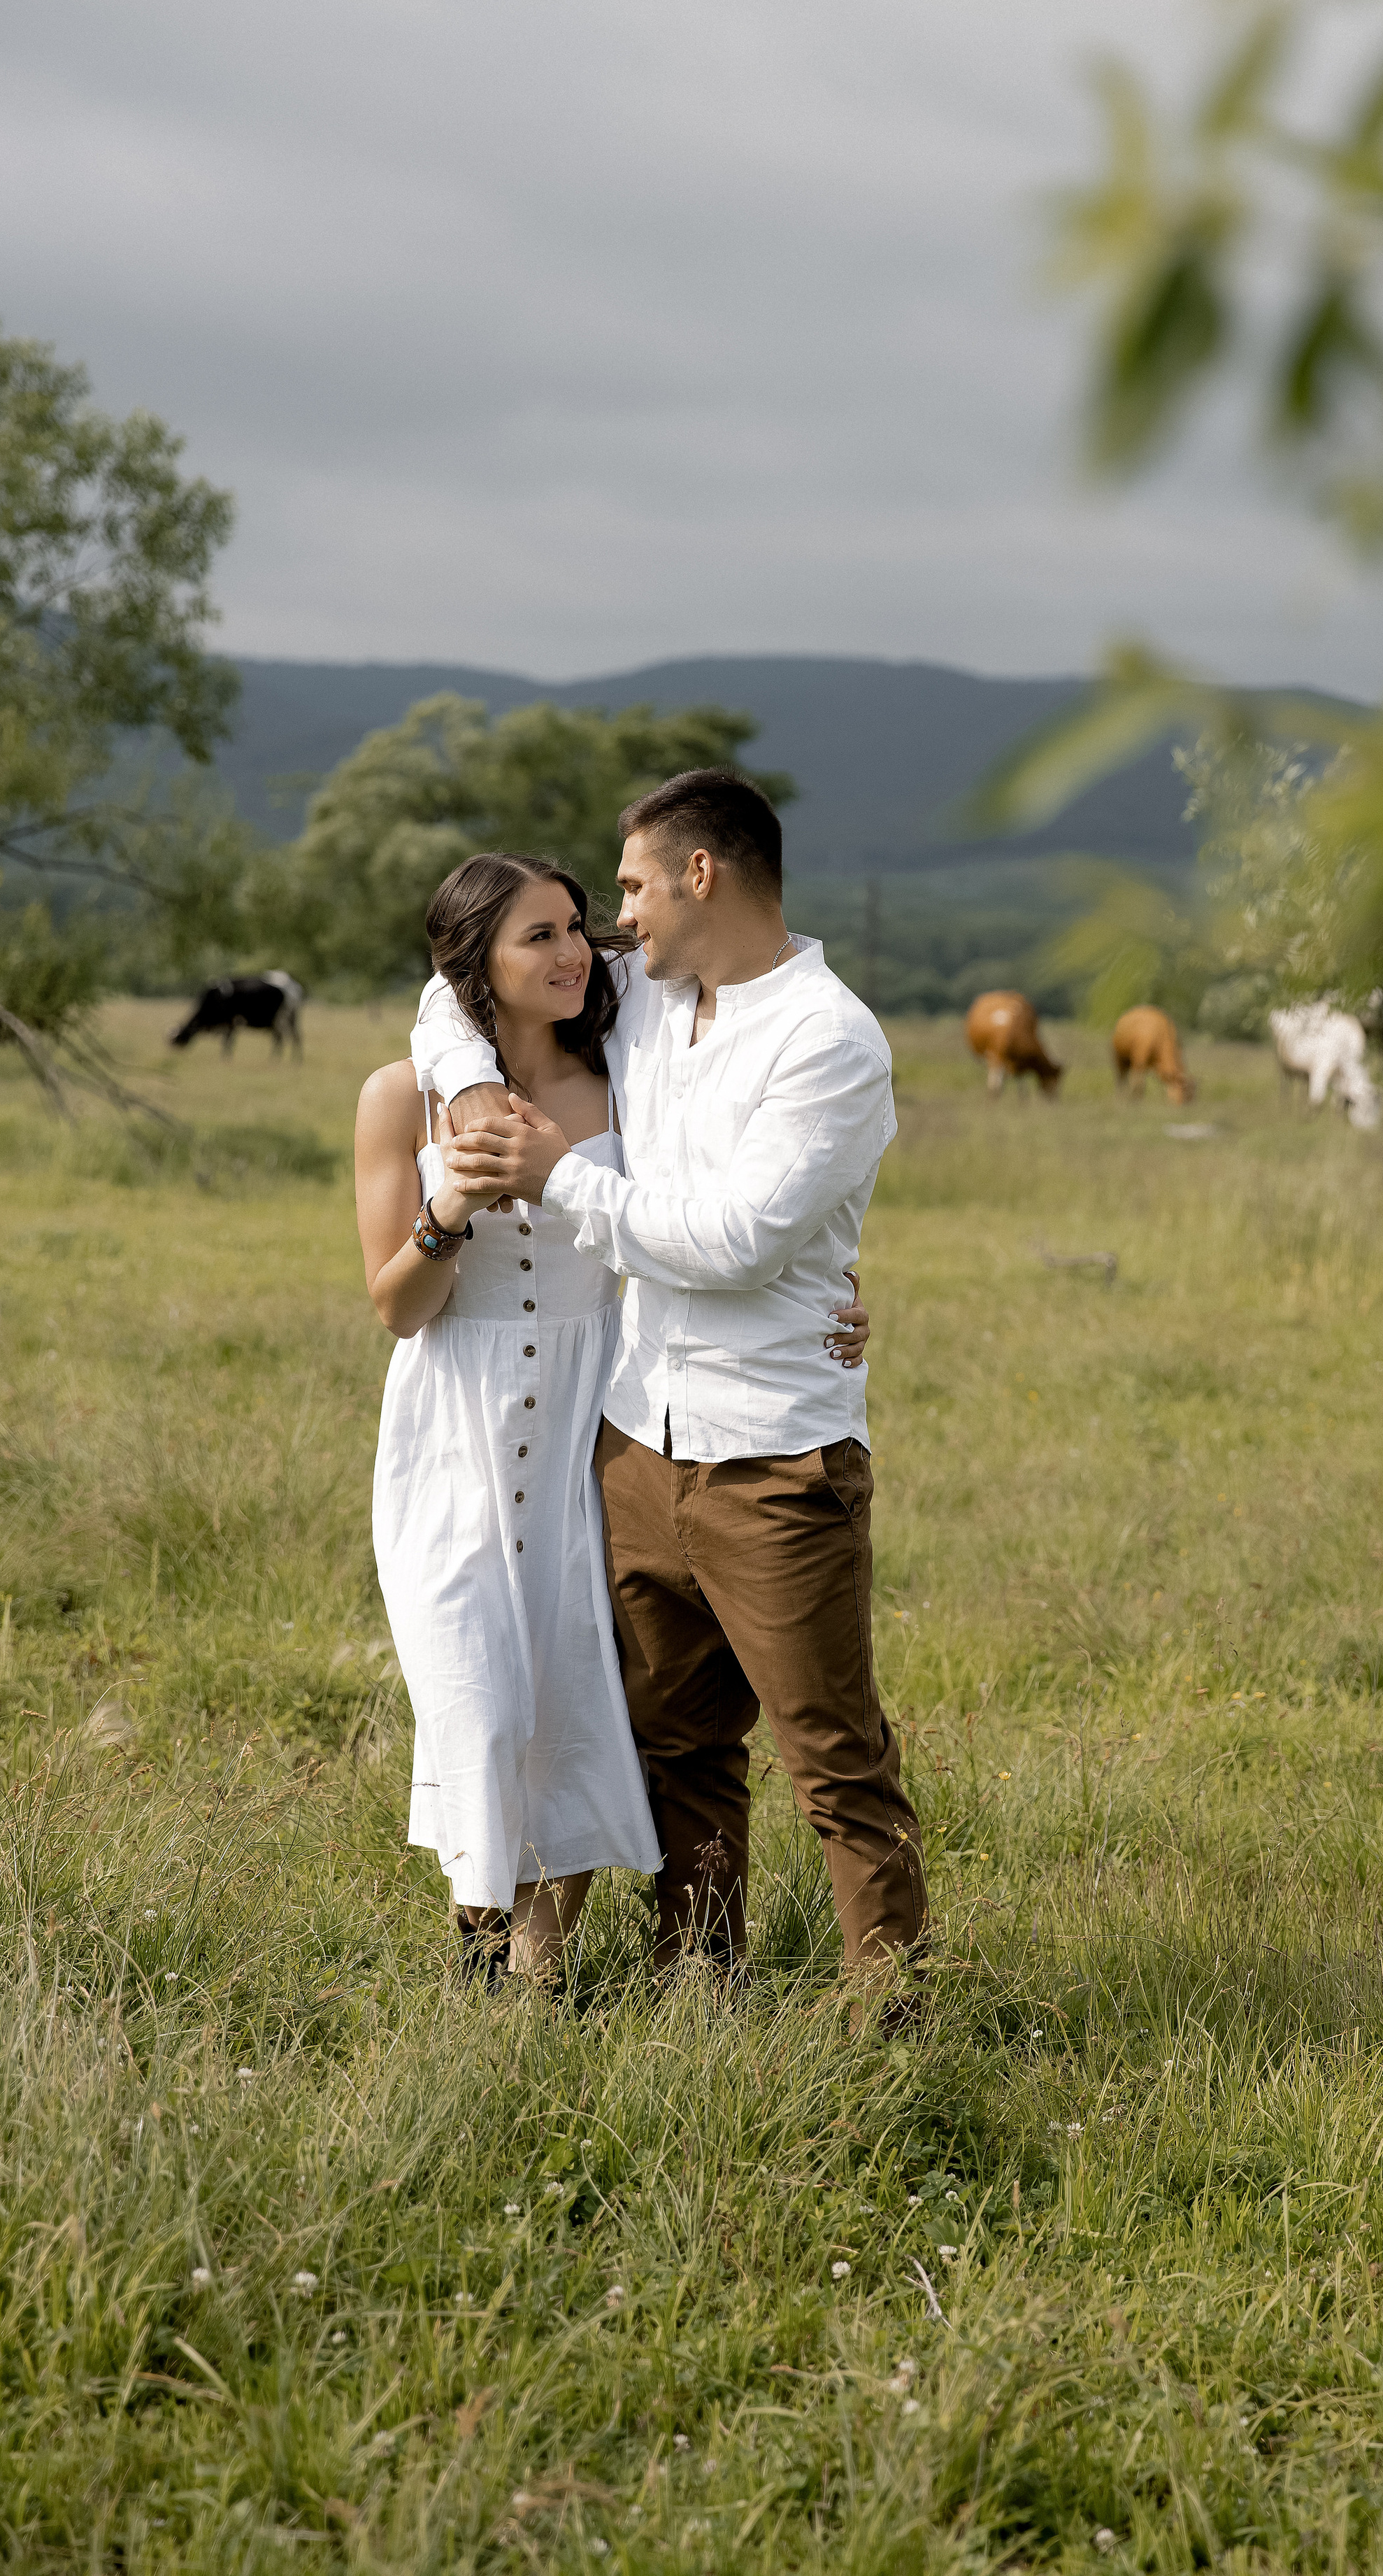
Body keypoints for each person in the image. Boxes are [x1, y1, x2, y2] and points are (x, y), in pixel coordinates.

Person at [415, 768, 926, 2014]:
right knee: (679, 1747)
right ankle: (701, 1981)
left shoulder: (829, 1037)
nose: (616, 921)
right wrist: (477, 1086)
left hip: (776, 1453)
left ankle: (894, 2014)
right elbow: (452, 982)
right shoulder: (646, 996)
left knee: (832, 1757)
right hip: (636, 1444)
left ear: (702, 874)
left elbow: (741, 1238)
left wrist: (556, 1172)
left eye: (633, 885)